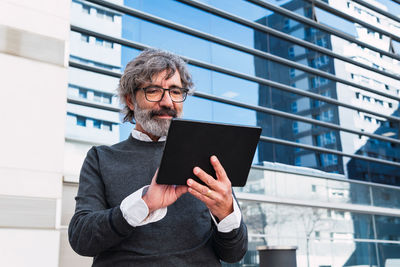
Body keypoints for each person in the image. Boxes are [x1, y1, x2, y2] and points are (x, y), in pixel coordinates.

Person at [68, 49, 248, 266]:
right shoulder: (100, 158)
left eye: (175, 91)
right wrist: (143, 205)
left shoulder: (208, 155)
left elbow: (233, 254)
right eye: (153, 91)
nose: (168, 102)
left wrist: (226, 213)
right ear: (131, 101)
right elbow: (81, 239)